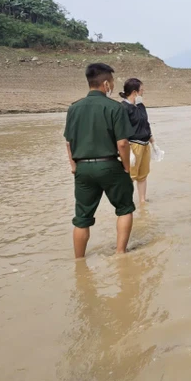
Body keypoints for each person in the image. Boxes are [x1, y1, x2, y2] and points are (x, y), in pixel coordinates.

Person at [64, 63, 136, 257]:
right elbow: (122, 143)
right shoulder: (115, 108)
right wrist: (127, 169)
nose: (112, 86)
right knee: (124, 208)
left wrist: (73, 166)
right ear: (106, 83)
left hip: (83, 169)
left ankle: (79, 261)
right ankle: (120, 253)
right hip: (110, 165)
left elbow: (69, 142)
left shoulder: (74, 108)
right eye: (111, 82)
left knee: (82, 218)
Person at [119, 77, 154, 204]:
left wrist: (153, 142)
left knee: (143, 175)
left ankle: (142, 201)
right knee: (131, 176)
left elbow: (146, 124)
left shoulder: (140, 106)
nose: (143, 93)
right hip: (133, 145)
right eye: (142, 90)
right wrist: (129, 151)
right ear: (135, 92)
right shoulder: (123, 108)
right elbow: (121, 130)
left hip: (145, 145)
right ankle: (126, 202)